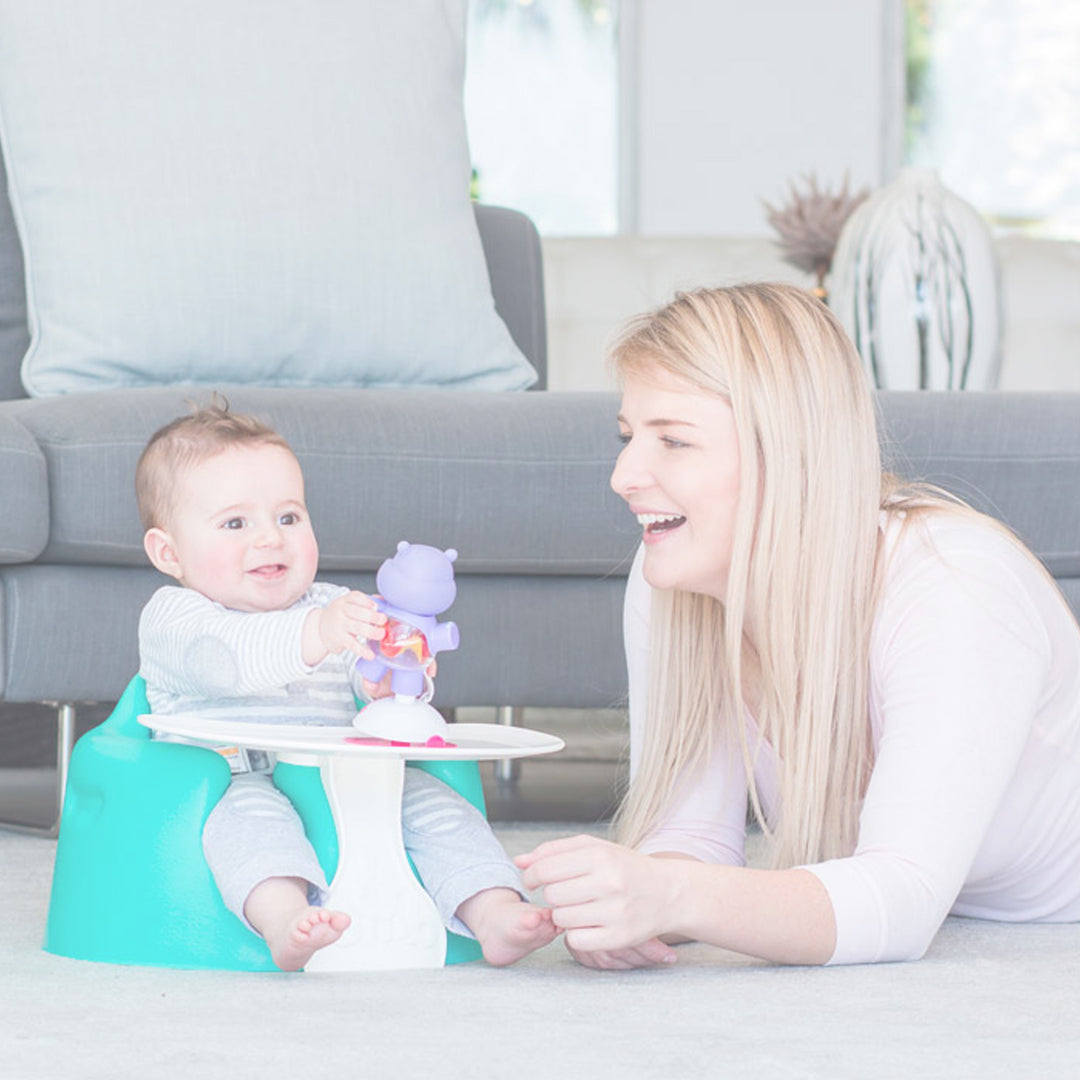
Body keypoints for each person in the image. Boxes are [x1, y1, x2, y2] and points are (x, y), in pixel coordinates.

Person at [516, 283, 1080, 969]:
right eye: (629, 436)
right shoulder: (675, 569)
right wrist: (631, 902)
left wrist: (673, 894)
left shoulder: (956, 587)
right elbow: (691, 839)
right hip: (961, 900)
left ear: (787, 458)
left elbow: (900, 901)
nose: (624, 475)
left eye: (675, 441)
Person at [135, 403, 556, 971]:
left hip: (346, 774)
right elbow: (226, 661)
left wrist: (388, 684)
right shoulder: (175, 616)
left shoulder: (332, 604)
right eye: (236, 523)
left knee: (438, 808)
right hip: (232, 775)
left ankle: (492, 909)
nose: (270, 539)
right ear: (169, 552)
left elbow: (362, 688)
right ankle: (284, 918)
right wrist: (317, 634)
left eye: (289, 517)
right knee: (250, 827)